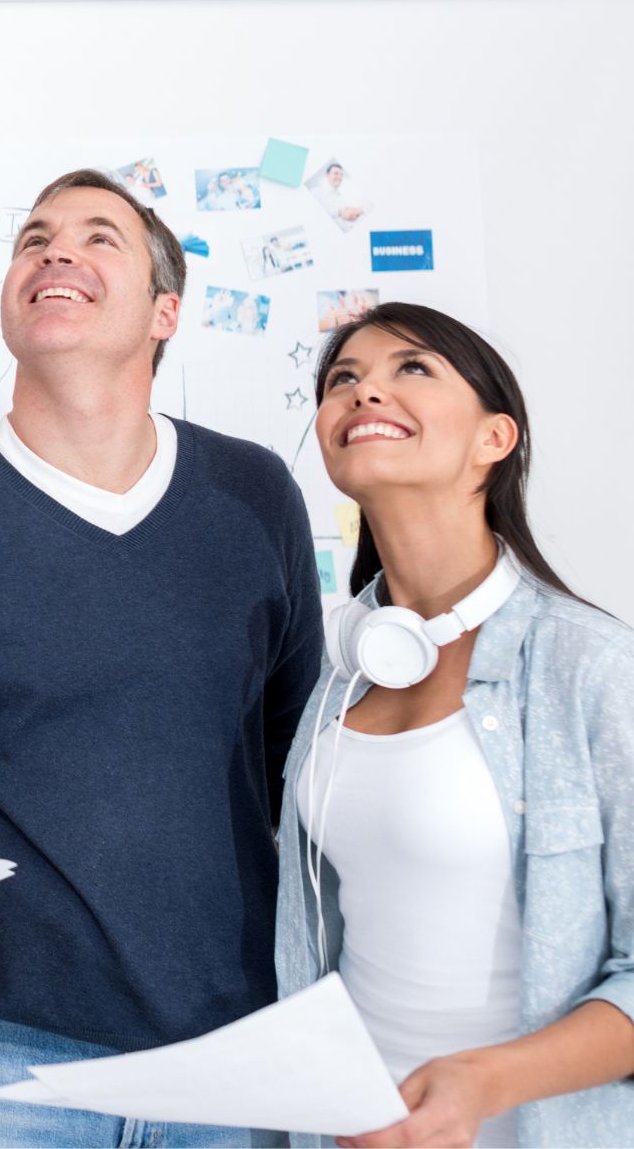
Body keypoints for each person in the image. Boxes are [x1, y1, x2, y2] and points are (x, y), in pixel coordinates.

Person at [0, 169, 323, 1147]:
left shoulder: (254, 496)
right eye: (34, 237)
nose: (55, 251)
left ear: (166, 310)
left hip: (230, 1044)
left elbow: (300, 763)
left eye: (98, 236)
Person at [277, 303, 634, 1148]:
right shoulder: (340, 671)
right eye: (343, 380)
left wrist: (482, 1082)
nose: (365, 392)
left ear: (494, 440)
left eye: (411, 369)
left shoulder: (590, 667)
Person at [308, 159, 372, 231]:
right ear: (327, 175)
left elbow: (348, 214)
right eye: (336, 173)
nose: (339, 177)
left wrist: (355, 212)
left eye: (341, 174)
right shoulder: (315, 192)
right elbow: (315, 215)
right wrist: (340, 212)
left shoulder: (340, 196)